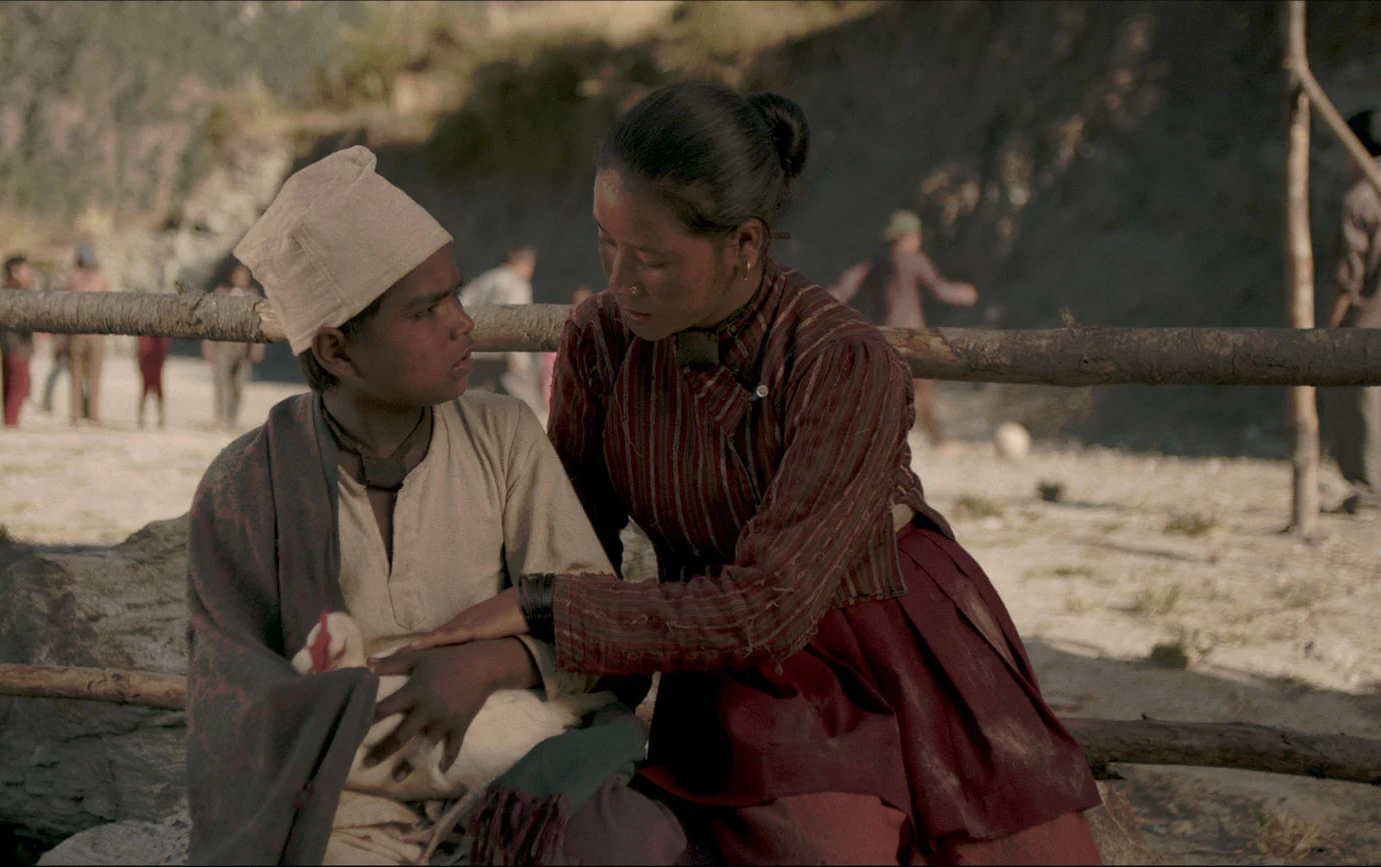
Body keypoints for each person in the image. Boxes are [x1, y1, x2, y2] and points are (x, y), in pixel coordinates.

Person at [401, 81, 1103, 865]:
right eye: (606, 243)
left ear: (744, 243)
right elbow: (576, 541)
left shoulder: (842, 359)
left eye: (652, 258)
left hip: (883, 626)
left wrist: (545, 602)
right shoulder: (602, 340)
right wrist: (510, 649)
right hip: (728, 652)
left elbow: (770, 604)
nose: (621, 279)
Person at [185, 145, 618, 864]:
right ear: (338, 351)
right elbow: (236, 700)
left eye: (455, 295)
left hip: (504, 771)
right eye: (425, 310)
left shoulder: (503, 436)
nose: (462, 323)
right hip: (341, 804)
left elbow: (592, 615)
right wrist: (357, 703)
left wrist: (488, 665)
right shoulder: (247, 483)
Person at [828, 209, 979, 449]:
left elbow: (845, 286)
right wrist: (966, 293)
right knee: (924, 390)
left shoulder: (877, 262)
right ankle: (939, 440)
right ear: (910, 237)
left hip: (882, 334)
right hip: (913, 336)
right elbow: (940, 289)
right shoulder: (914, 259)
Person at [1325, 108, 1380, 515]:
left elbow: (1348, 277)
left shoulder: (1361, 197)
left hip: (1369, 323)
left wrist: (1329, 328)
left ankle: (1369, 489)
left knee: (1361, 404)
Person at [459, 246, 545, 415]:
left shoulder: (487, 279)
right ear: (526, 264)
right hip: (502, 353)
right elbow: (517, 320)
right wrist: (519, 358)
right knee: (525, 402)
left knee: (477, 396)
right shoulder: (516, 283)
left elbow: (462, 303)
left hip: (474, 349)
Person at [201, 262, 265, 429]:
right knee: (222, 383)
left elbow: (259, 324)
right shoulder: (222, 294)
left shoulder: (253, 296)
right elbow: (210, 321)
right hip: (223, 346)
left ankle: (232, 417)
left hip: (244, 348)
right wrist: (208, 346)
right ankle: (221, 416)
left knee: (239, 384)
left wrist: (258, 347)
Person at [65, 244, 110, 426]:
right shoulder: (101, 277)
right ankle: (93, 414)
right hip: (95, 335)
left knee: (76, 378)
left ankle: (76, 415)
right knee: (94, 377)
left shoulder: (72, 277)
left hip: (77, 334)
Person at [0, 256, 35, 429]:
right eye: (26, 269)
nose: (29, 273)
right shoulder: (20, 293)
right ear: (15, 272)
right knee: (19, 386)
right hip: (18, 346)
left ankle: (8, 421)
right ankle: (11, 423)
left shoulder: (1, 292)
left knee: (9, 385)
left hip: (6, 345)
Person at [137, 334, 171, 429]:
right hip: (149, 366)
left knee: (156, 394)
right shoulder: (146, 338)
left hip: (155, 367)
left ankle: (159, 419)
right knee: (146, 393)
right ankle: (142, 419)